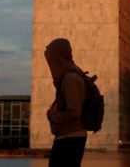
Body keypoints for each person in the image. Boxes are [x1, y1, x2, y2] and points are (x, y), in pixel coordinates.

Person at [45, 38, 87, 167]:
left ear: (59, 57)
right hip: (68, 137)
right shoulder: (70, 75)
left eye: (52, 58)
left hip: (70, 138)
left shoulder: (70, 79)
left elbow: (75, 112)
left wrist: (52, 116)